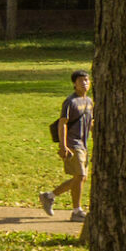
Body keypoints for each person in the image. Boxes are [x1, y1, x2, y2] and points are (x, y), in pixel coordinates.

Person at [41, 70, 92, 221]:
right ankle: (76, 211)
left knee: (81, 178)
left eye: (87, 80)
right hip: (72, 143)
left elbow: (90, 122)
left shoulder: (89, 101)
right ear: (74, 84)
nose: (84, 83)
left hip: (83, 143)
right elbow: (62, 124)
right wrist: (63, 146)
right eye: (81, 80)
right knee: (80, 176)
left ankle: (49, 196)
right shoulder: (70, 102)